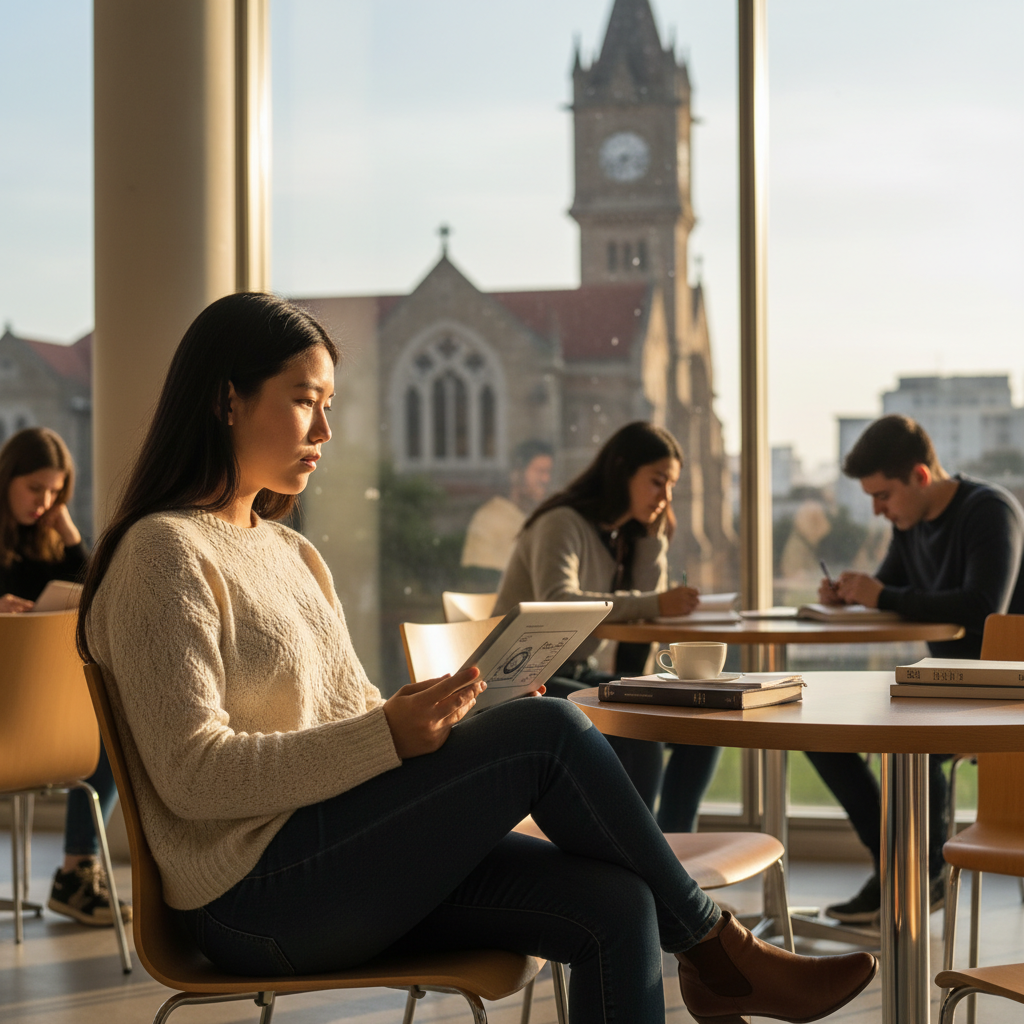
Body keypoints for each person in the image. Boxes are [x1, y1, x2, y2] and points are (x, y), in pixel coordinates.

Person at [75, 293, 875, 1023]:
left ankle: (714, 957)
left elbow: (353, 717)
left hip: (336, 857)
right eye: (304, 403)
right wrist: (387, 736)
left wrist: (427, 713)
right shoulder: (163, 554)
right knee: (550, 729)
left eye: (329, 407)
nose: (325, 431)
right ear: (226, 399)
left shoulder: (291, 551)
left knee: (617, 902)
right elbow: (193, 774)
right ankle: (718, 952)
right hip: (253, 899)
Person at [809, 414, 1024, 925]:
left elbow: (982, 604)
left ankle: (919, 873)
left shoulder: (989, 512)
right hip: (944, 685)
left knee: (915, 740)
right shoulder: (911, 525)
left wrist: (882, 594)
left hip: (1004, 689)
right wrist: (848, 596)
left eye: (883, 495)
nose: (878, 510)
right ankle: (896, 865)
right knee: (819, 730)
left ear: (921, 477)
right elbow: (892, 591)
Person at [494, 422, 722, 829]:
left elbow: (645, 616)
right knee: (641, 734)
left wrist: (653, 541)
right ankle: (649, 864)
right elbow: (558, 602)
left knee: (703, 723)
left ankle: (670, 851)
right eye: (657, 482)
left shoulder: (620, 536)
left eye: (671, 487)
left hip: (572, 674)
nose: (665, 497)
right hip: (522, 681)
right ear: (622, 471)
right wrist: (656, 602)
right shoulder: (561, 523)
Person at [0, 427, 130, 927]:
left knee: (114, 721)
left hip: (40, 709)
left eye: (56, 492)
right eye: (35, 488)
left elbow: (103, 591)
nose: (45, 502)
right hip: (5, 710)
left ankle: (77, 873)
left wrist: (73, 537)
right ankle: (79, 875)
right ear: (7, 478)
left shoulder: (51, 544)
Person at [460, 439, 554, 586]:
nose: (545, 479)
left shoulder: (543, 518)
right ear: (516, 474)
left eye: (548, 472)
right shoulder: (489, 519)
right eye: (539, 471)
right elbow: (479, 580)